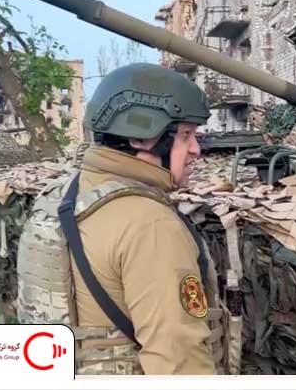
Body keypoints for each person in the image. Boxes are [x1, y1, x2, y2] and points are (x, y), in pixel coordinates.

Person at [17, 63, 218, 375]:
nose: (196, 150)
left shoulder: (62, 195)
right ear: (141, 138)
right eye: (186, 135)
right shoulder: (151, 224)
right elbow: (178, 363)